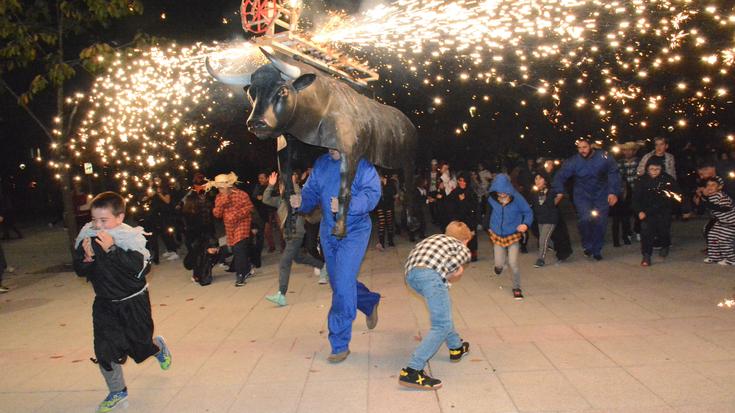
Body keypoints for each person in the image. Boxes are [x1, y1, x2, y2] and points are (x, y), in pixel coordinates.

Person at [72, 192, 171, 413]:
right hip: (105, 304)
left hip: (133, 302)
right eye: (94, 219)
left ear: (120, 217)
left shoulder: (130, 238)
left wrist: (113, 250)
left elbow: (141, 269)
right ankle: (117, 391)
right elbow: (79, 269)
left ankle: (156, 347)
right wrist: (87, 259)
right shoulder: (88, 236)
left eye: (104, 220)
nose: (98, 225)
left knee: (140, 347)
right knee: (104, 350)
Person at [291, 149, 381, 363]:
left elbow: (372, 194)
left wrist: (346, 203)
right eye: (327, 141)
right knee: (340, 282)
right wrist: (300, 201)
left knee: (341, 284)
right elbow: (311, 192)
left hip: (354, 230)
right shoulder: (322, 163)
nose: (331, 147)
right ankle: (368, 301)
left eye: (336, 141)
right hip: (328, 231)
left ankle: (339, 342)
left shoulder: (362, 164)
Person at [399, 221, 472, 390]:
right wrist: (458, 271)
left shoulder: (434, 238)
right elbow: (452, 267)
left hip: (411, 276)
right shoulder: (461, 247)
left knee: (443, 313)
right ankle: (412, 370)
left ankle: (456, 348)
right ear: (465, 239)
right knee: (441, 325)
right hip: (430, 276)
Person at [264, 172, 328, 306]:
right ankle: (323, 266)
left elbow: (300, 196)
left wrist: (292, 183)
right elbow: (266, 199)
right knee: (298, 258)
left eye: (282, 186)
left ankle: (281, 294)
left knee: (284, 263)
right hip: (288, 236)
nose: (280, 188)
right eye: (280, 186)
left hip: (296, 234)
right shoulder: (280, 201)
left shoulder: (295, 199)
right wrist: (270, 185)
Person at [552, 139, 621, 261]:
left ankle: (597, 250)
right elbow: (560, 175)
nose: (582, 150)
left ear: (591, 146)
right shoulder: (574, 161)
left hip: (601, 194)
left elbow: (613, 172)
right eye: (579, 148)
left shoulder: (603, 157)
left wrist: (613, 192)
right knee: (585, 220)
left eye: (584, 147)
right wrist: (559, 191)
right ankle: (587, 245)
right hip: (582, 195)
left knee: (600, 222)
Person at [487, 174, 533, 300]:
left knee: (513, 263)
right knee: (498, 263)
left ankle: (517, 287)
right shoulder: (492, 198)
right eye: (499, 192)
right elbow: (488, 212)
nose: (501, 195)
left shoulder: (517, 198)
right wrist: (488, 226)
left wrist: (525, 224)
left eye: (504, 192)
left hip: (512, 234)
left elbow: (528, 212)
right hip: (497, 234)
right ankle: (499, 267)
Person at [632, 159, 682, 266]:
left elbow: (671, 196)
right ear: (647, 169)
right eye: (651, 169)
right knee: (646, 232)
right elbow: (636, 198)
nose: (654, 171)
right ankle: (646, 255)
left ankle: (665, 245)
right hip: (645, 211)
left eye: (657, 169)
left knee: (663, 230)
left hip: (663, 210)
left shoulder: (667, 180)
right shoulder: (641, 180)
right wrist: (639, 211)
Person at [211, 172, 255, 286]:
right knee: (236, 250)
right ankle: (247, 268)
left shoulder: (241, 194)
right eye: (219, 188)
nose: (220, 190)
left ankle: (240, 275)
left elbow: (249, 207)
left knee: (239, 248)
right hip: (230, 227)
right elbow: (217, 214)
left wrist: (236, 215)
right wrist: (224, 200)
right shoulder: (219, 198)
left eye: (222, 187)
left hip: (242, 224)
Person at [528, 171, 561, 267]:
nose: (537, 181)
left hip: (550, 219)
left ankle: (541, 259)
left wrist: (553, 195)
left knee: (542, 240)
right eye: (536, 178)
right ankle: (559, 248)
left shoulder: (550, 191)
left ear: (545, 180)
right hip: (540, 219)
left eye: (540, 178)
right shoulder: (534, 192)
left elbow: (553, 203)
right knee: (546, 239)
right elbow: (532, 205)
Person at [700, 177, 735, 265]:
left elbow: (725, 208)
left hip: (731, 223)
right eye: (708, 185)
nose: (710, 187)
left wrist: (707, 203)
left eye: (713, 185)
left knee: (723, 240)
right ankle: (715, 257)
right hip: (721, 222)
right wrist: (703, 197)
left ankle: (731, 259)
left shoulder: (720, 196)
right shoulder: (711, 196)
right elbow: (704, 206)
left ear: (719, 187)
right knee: (712, 236)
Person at [613, 141, 641, 246]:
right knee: (626, 213)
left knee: (638, 212)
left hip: (637, 190)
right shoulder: (620, 162)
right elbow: (617, 176)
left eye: (629, 150)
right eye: (625, 150)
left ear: (634, 151)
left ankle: (638, 230)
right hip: (625, 192)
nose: (627, 152)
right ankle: (627, 232)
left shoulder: (639, 161)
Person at [446, 173, 479, 261]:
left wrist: (464, 201)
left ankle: (472, 254)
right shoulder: (455, 192)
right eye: (460, 180)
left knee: (470, 236)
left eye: (464, 181)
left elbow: (474, 207)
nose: (462, 183)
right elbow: (449, 205)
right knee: (458, 237)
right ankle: (459, 255)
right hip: (458, 219)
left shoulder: (471, 193)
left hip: (470, 219)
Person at [375, 174, 397, 250]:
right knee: (381, 224)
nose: (379, 178)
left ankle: (390, 241)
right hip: (380, 206)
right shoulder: (376, 183)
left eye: (380, 177)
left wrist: (385, 185)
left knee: (389, 223)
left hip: (389, 206)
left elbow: (393, 193)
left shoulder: (390, 183)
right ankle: (381, 243)